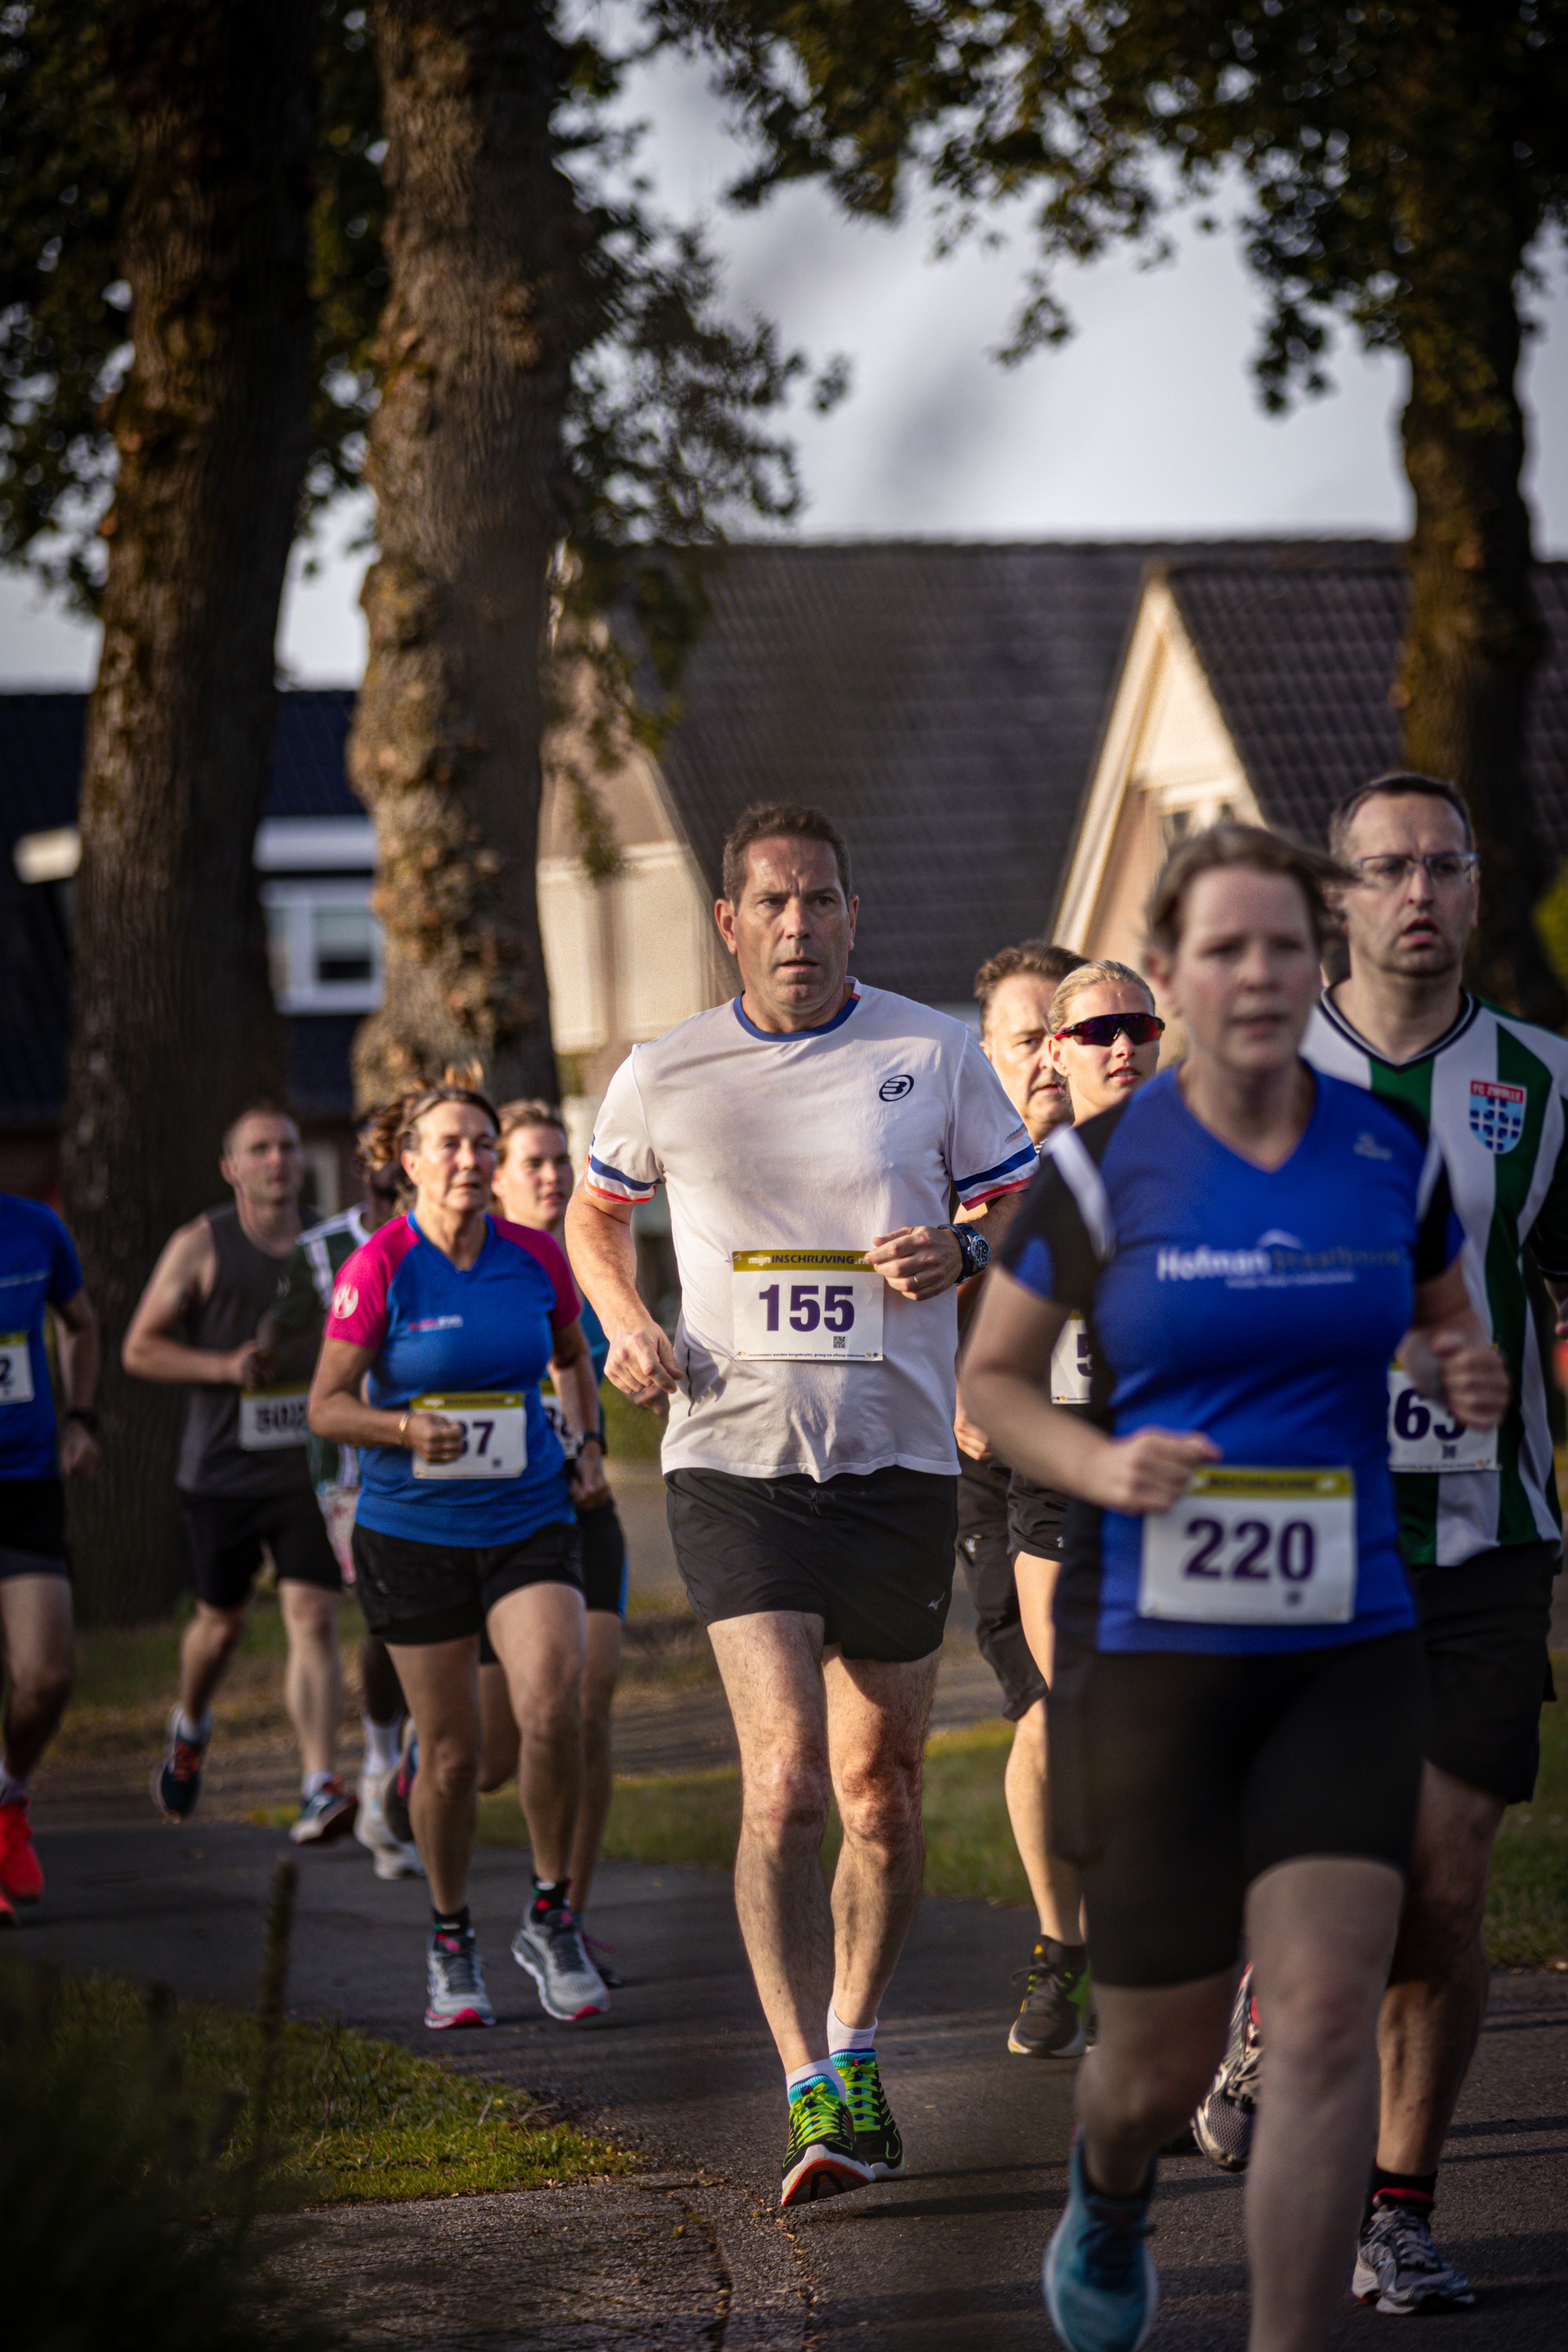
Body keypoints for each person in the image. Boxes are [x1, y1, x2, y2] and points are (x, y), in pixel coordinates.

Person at [959, 822, 1507, 2352]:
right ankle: (1111, 2180)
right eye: (1223, 949)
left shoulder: (1381, 1154)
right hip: (1159, 1650)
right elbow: (995, 1388)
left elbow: (1437, 1327)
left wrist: (1451, 1362)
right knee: (1150, 2059)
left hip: (1347, 1634)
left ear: (1309, 958)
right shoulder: (1087, 1169)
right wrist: (1096, 1462)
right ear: (1178, 979)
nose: (1256, 974)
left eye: (1281, 945)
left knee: (1327, 2017)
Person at [565, 800, 1036, 2208]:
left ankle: (858, 2039)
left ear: (853, 914)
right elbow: (594, 1216)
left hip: (895, 1463)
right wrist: (623, 1325)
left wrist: (958, 1249)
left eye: (821, 901)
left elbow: (1029, 1209)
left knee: (878, 1790)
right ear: (728, 921)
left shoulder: (932, 1052)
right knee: (780, 1784)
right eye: (771, 903)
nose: (797, 925)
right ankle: (807, 2091)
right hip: (732, 1461)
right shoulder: (666, 1072)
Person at [1198, 771, 1568, 2314]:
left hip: (1488, 1536)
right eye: (1385, 869)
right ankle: (1266, 1995)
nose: (1416, 892)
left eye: (1443, 866)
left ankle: (1399, 2205)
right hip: (1295, 1531)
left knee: (1443, 1878)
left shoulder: (1548, 1084)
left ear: (1478, 892)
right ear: (1336, 899)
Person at [308, 1076, 612, 2031]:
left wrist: (586, 1444)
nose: (471, 1160)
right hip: (414, 1536)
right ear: (410, 1163)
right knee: (451, 1759)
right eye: (449, 1145)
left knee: (552, 1706)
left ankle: (552, 1915)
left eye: (483, 1144)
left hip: (527, 1520)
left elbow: (569, 1358)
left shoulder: (534, 1258)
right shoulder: (380, 1268)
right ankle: (451, 1937)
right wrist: (401, 1431)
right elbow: (326, 1406)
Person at [1001, 959, 1164, 2060]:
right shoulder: (1016, 1176)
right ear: (1054, 1050)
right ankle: (1081, 1945)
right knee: (1076, 1717)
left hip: (1179, 1481)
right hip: (1049, 1475)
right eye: (1098, 1027)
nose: (1123, 1044)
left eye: (1140, 1025)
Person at [124, 1104, 353, 1842]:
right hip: (221, 1471)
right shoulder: (202, 1243)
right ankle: (191, 1725)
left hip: (308, 1471)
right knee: (220, 1629)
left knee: (314, 1615)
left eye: (287, 1147)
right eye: (259, 1150)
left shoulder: (332, 1244)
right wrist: (224, 1366)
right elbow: (140, 1349)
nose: (278, 1160)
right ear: (233, 1167)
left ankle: (320, 1782)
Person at [955, 939, 1087, 2056]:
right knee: (1047, 1712)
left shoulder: (1134, 1156)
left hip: (1105, 1455)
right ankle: (1062, 1952)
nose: (1049, 1055)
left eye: (1066, 1031)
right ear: (985, 1052)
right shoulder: (939, 1160)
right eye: (1024, 1038)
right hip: (992, 1480)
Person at [482, 1100, 629, 1973]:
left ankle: (562, 1918)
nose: (550, 1175)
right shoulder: (471, 1267)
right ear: (495, 1178)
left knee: (589, 1707)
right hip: (489, 1524)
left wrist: (596, 1448)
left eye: (559, 1160)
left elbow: (610, 1364)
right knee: (494, 1756)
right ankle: (425, 1760)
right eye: (530, 1163)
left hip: (581, 1511)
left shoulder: (596, 1260)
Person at [260, 1115, 420, 1881]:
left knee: (442, 1606)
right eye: (389, 1189)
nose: (399, 1205)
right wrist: (262, 1351)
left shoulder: (456, 1241)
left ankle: (416, 1762)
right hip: (352, 1466)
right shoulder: (322, 1251)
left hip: (445, 1451)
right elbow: (288, 1331)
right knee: (385, 1610)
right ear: (368, 1173)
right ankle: (386, 1761)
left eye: (408, 1191)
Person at [0, 1194, 100, 1922]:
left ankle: (8, 1798)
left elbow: (81, 1324)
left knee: (47, 1675)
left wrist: (80, 1419)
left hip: (26, 1479)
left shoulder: (36, 1228)